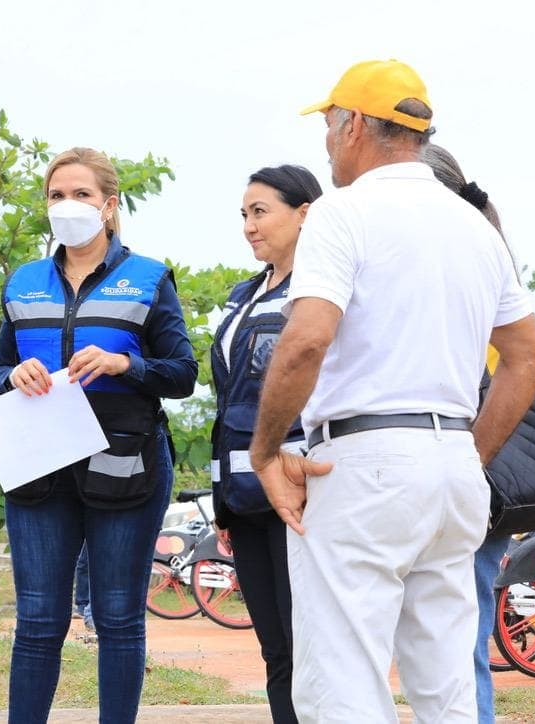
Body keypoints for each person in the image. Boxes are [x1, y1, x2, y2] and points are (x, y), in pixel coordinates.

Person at [248, 60, 535, 722]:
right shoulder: (473, 225)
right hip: (452, 464)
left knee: (344, 684)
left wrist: (265, 450)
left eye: (329, 125)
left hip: (364, 463)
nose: (327, 141)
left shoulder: (343, 213)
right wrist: (471, 455)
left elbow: (306, 340)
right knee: (448, 687)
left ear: (355, 125)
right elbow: (529, 354)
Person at [0, 147, 197, 722]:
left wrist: (126, 365)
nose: (67, 205)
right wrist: (11, 377)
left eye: (81, 194)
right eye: (56, 195)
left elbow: (183, 374)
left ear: (108, 205)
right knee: (37, 620)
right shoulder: (23, 282)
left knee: (118, 616)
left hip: (125, 464)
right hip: (38, 465)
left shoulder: (148, 277)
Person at [210, 164, 321, 724]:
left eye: (260, 212)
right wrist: (223, 503)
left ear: (304, 213)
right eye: (244, 215)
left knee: (310, 646)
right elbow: (230, 401)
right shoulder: (244, 295)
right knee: (275, 648)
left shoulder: (323, 290)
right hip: (243, 493)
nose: (249, 226)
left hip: (300, 488)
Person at [421, 142, 515, 724]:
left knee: (453, 639)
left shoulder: (449, 271)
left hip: (461, 468)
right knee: (463, 634)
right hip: (481, 480)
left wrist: (470, 458)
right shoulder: (488, 256)